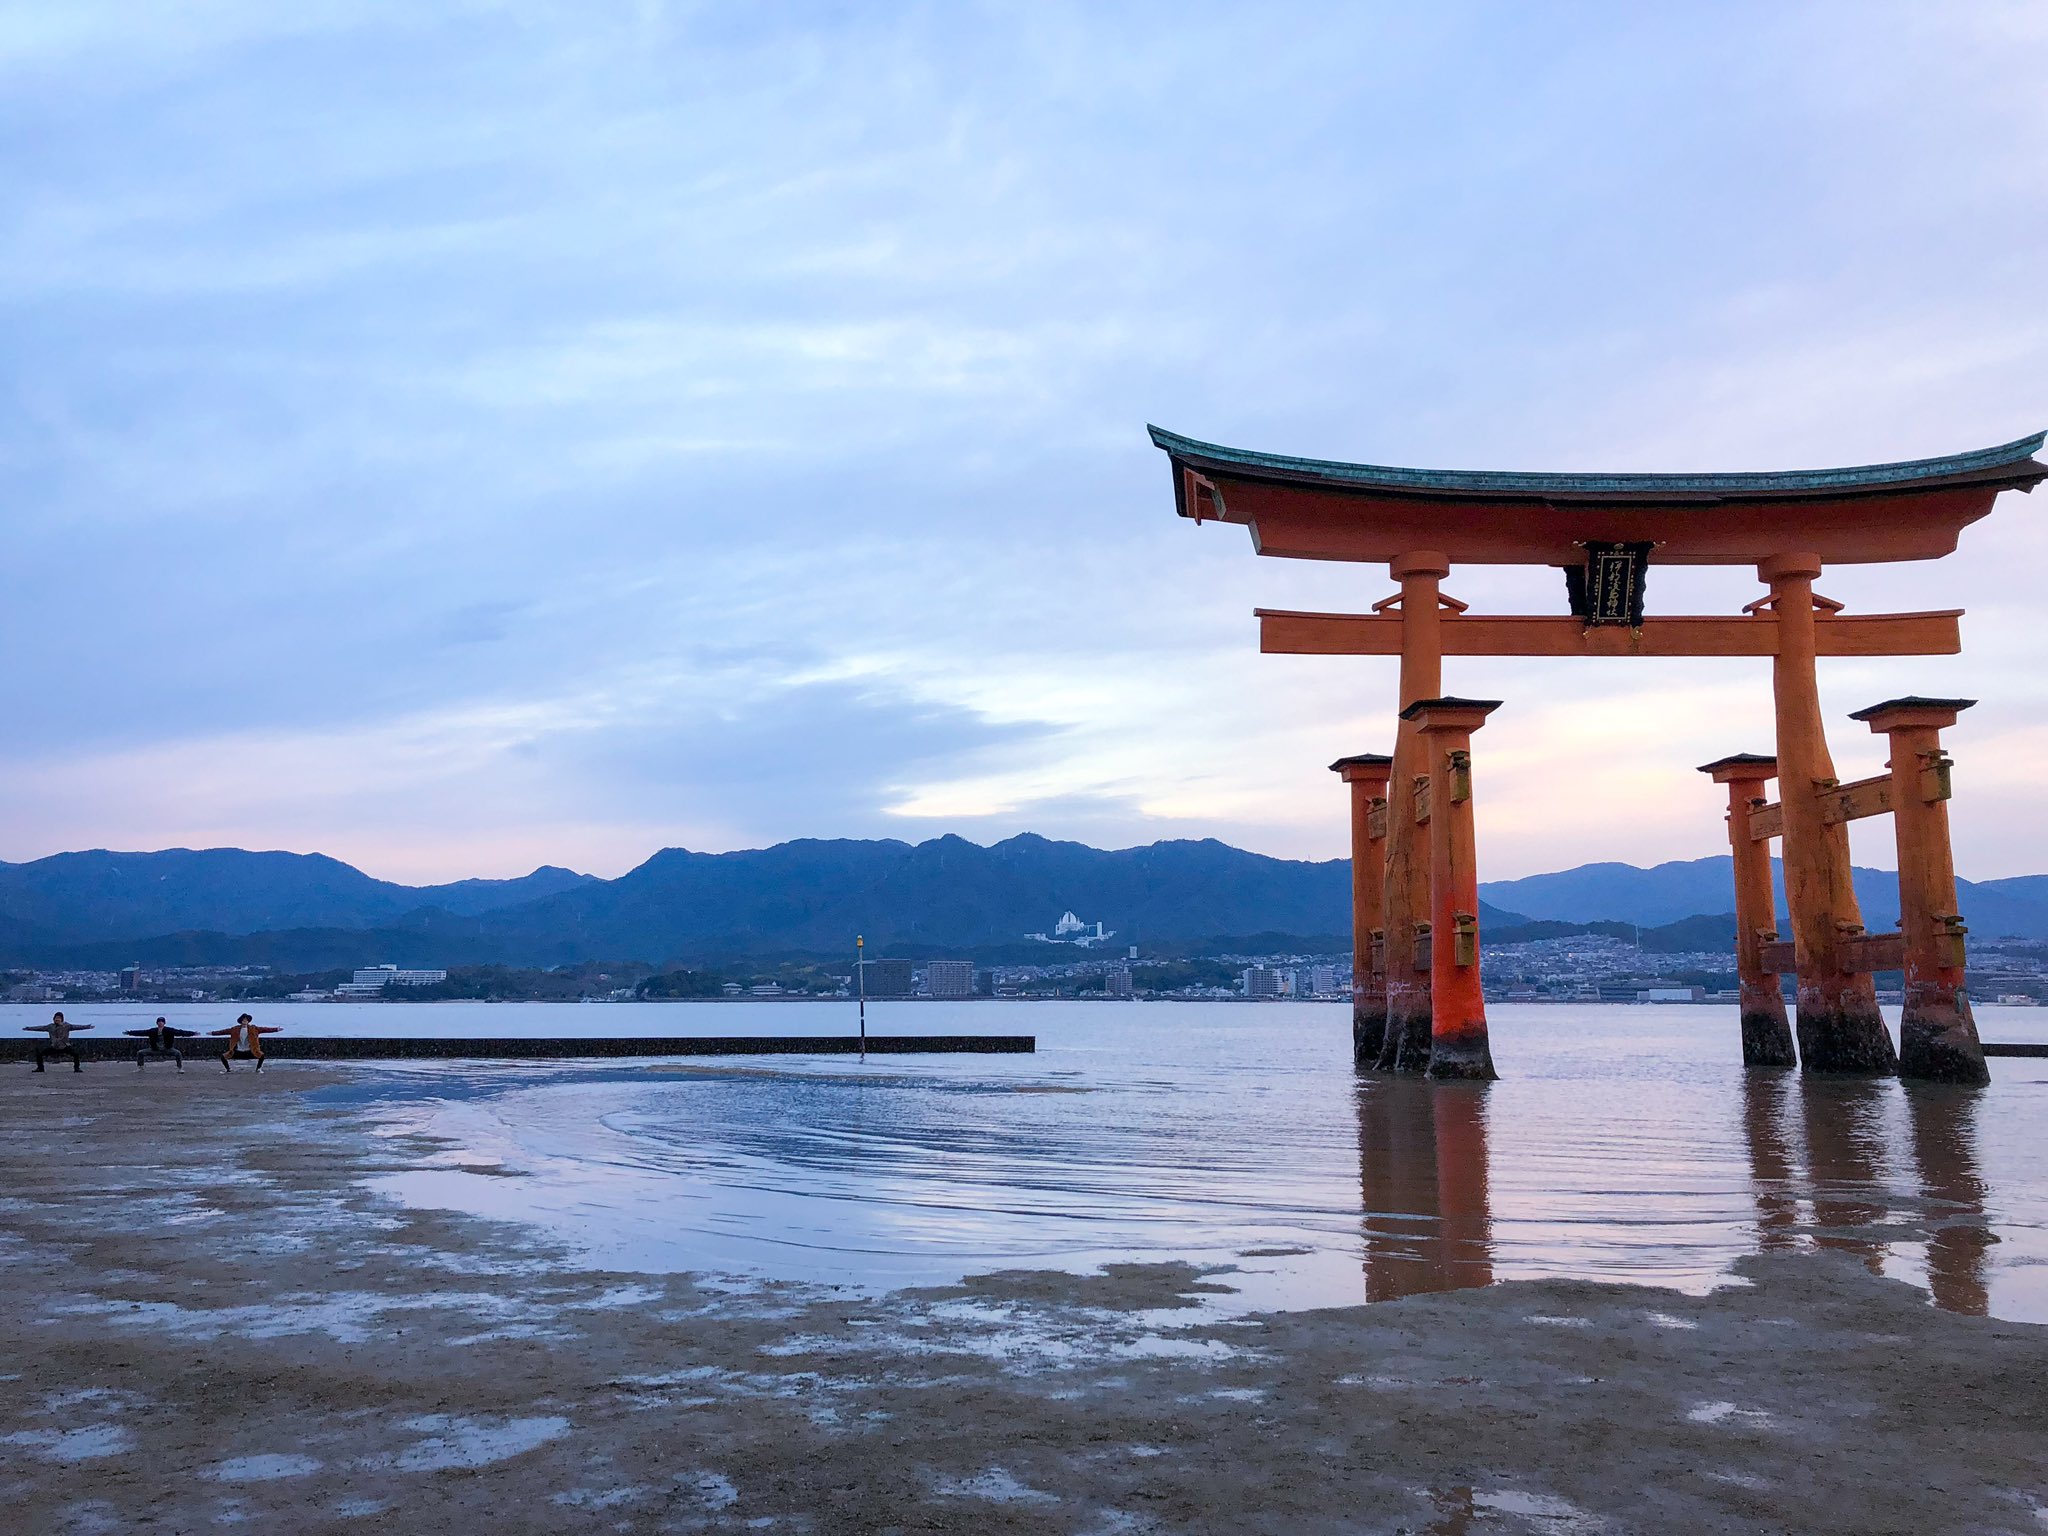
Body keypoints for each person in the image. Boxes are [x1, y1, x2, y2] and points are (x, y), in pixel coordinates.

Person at [24, 1011, 92, 1073]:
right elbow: (40, 1028)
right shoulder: (50, 1026)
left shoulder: (66, 1026)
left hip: (64, 1046)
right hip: (54, 1046)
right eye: (56, 1018)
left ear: (62, 1019)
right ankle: (40, 1068)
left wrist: (88, 1026)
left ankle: (77, 1068)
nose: (57, 1019)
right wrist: (29, 1028)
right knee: (39, 1054)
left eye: (59, 1018)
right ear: (53, 1019)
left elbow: (77, 1027)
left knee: (76, 1054)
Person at [212, 1013, 280, 1072]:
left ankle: (258, 1069)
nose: (245, 1021)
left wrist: (276, 1029)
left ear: (248, 1021)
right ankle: (228, 1069)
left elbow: (265, 1029)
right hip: (238, 1051)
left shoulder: (254, 1028)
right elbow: (223, 1031)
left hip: (250, 1051)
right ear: (241, 1021)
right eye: (243, 1019)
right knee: (223, 1057)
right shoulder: (235, 1029)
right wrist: (213, 1033)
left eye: (246, 1020)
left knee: (261, 1055)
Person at [126, 1017, 196, 1071]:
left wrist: (192, 1033)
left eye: (162, 1022)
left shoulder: (169, 1030)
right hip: (155, 1049)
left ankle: (180, 1068)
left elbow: (180, 1032)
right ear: (157, 1023)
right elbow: (141, 1032)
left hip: (167, 1049)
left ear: (164, 1023)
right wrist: (130, 1032)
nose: (160, 1023)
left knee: (178, 1053)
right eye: (159, 1022)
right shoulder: (153, 1031)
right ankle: (140, 1067)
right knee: (140, 1053)